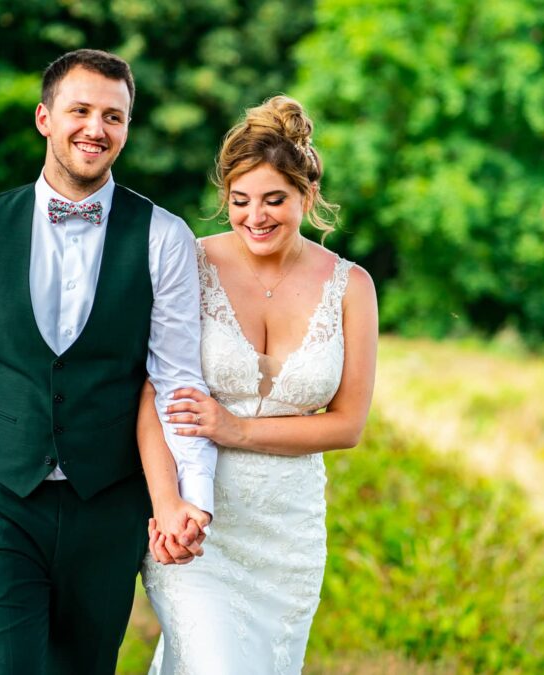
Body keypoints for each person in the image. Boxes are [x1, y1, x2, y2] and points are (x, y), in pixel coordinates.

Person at [0, 49, 216, 674]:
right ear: (45, 118)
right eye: (81, 110)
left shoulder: (163, 236)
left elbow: (176, 382)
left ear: (127, 128)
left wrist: (189, 496)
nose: (96, 128)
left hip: (109, 509)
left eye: (113, 116)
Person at [138, 95, 379, 674]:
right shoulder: (189, 264)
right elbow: (150, 396)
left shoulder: (353, 287)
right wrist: (167, 505)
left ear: (307, 196)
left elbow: (347, 426)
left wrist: (237, 428)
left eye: (275, 199)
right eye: (240, 201)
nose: (256, 216)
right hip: (198, 523)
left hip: (288, 536)